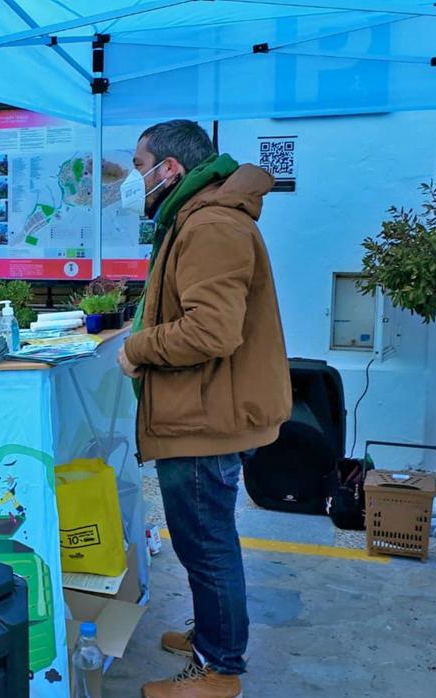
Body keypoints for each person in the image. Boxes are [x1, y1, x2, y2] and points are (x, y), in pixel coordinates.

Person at [115, 121, 291, 698]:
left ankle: (220, 670)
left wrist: (137, 346)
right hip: (198, 411)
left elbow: (210, 331)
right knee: (203, 538)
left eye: (139, 165)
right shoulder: (198, 215)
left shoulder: (210, 223)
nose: (134, 177)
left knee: (207, 541)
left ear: (170, 169)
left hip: (202, 418)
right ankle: (214, 633)